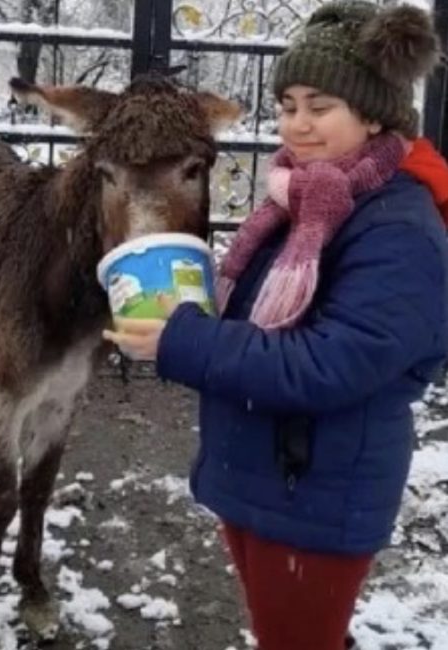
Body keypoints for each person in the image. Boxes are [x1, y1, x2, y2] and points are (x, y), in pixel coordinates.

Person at [105, 2, 448, 649]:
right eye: (288, 104)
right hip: (272, 477)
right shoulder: (305, 195)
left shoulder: (398, 229)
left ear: (374, 112)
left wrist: (184, 341)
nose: (298, 124)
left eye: (320, 106)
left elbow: (330, 363)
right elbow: (260, 313)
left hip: (316, 495)